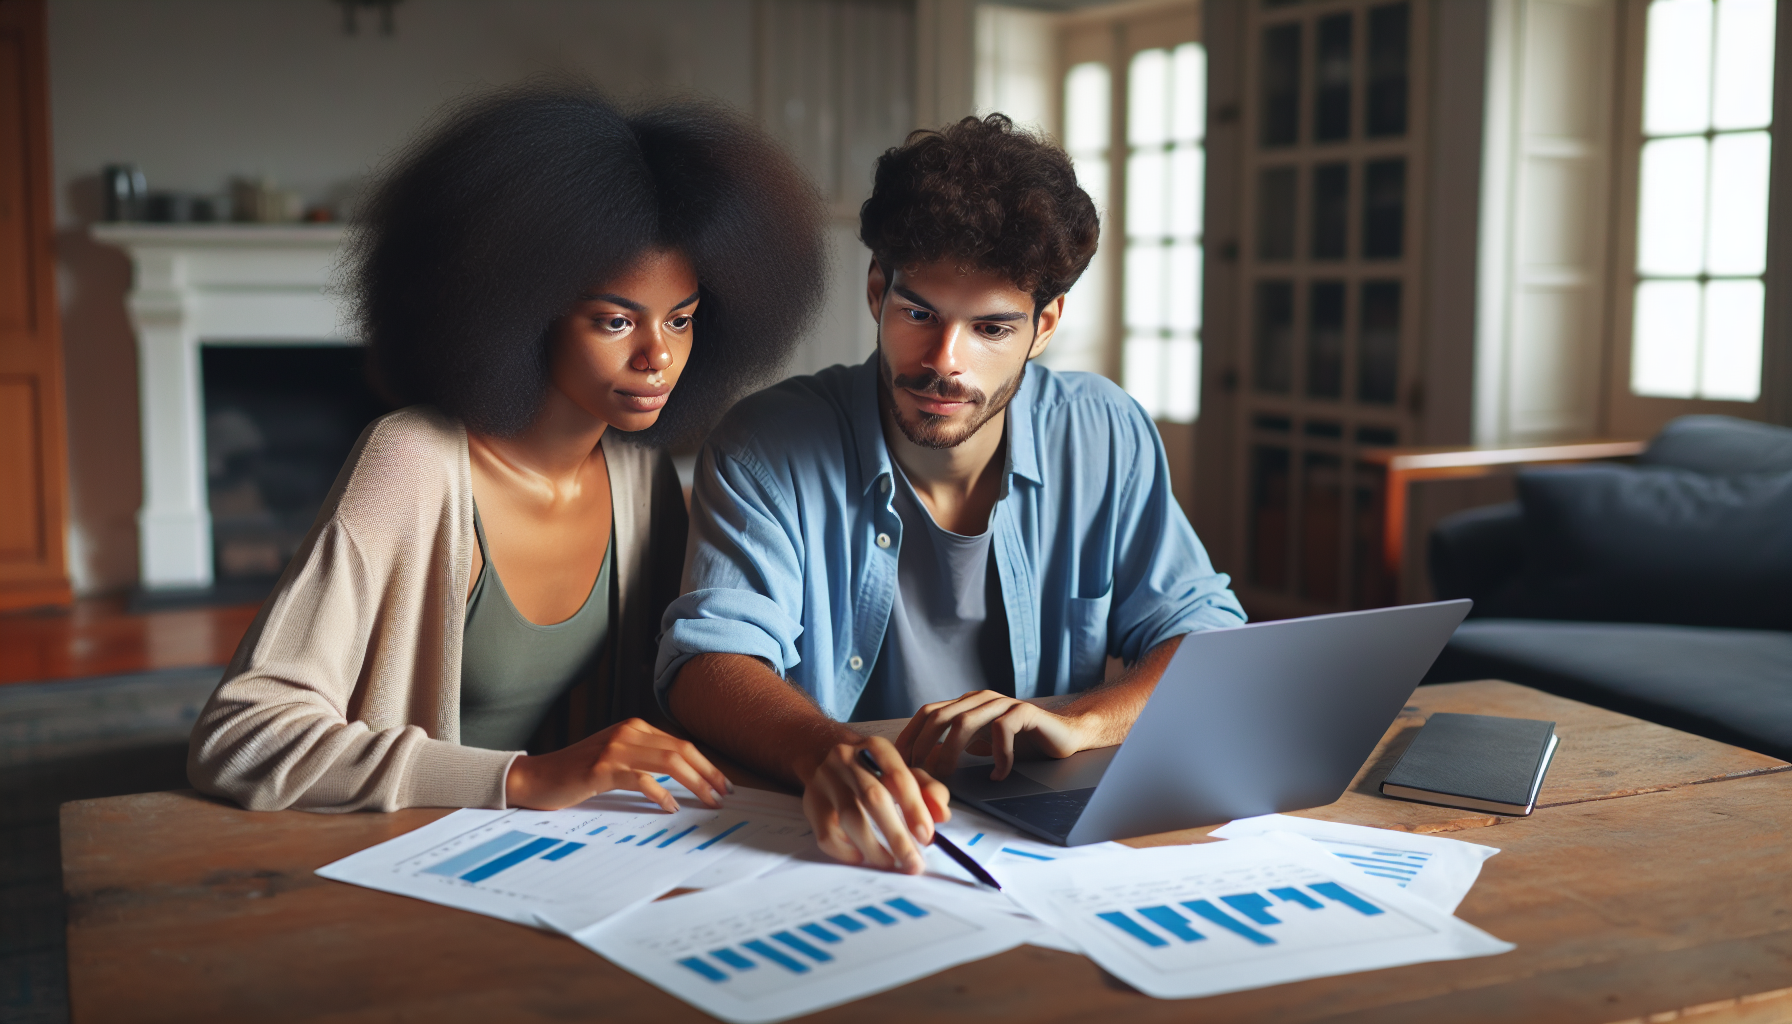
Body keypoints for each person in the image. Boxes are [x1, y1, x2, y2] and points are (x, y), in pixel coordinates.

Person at [187, 85, 827, 814]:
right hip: (412, 865)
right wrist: (523, 779)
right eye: (615, 322)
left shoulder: (641, 478)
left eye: (680, 321)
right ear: (524, 311)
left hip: (580, 862)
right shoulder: (413, 463)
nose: (659, 357)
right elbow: (240, 737)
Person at [656, 114, 1244, 873]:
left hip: (1043, 847)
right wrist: (824, 751)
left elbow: (1206, 632)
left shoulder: (1105, 431)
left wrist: (1085, 723)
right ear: (878, 291)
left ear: (1046, 323)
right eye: (919, 314)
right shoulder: (767, 440)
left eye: (991, 329)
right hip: (834, 845)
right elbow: (708, 662)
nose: (944, 361)